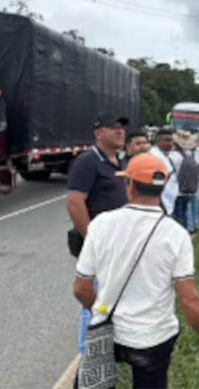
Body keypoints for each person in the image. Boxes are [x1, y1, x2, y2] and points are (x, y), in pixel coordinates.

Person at [73, 154, 199, 388]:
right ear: (163, 187)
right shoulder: (176, 235)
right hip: (153, 338)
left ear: (130, 186)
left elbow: (81, 289)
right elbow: (189, 300)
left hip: (108, 332)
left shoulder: (100, 224)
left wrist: (103, 311)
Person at [66, 110, 129, 356]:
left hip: (117, 246)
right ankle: (87, 357)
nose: (120, 131)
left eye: (122, 127)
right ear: (99, 133)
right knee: (93, 300)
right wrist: (93, 240)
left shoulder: (118, 161)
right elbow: (75, 202)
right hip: (99, 247)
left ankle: (106, 350)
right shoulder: (88, 161)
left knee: (110, 297)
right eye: (113, 127)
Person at [171, 130, 199, 232]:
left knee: (178, 214)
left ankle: (181, 231)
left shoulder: (173, 156)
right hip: (192, 188)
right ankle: (191, 228)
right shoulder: (195, 154)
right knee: (189, 210)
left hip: (176, 190)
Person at [149, 127, 178, 214]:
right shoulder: (154, 156)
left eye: (171, 140)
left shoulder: (166, 156)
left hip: (168, 201)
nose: (170, 143)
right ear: (158, 141)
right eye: (167, 140)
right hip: (161, 202)